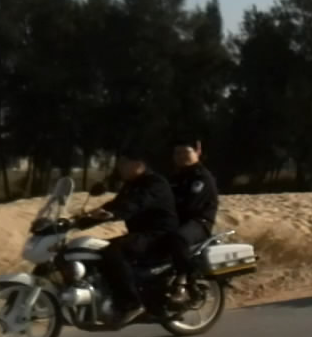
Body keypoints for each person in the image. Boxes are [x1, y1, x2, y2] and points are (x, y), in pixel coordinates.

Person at [86, 147, 179, 326]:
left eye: (124, 163)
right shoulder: (131, 184)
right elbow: (116, 204)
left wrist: (114, 214)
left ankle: (131, 304)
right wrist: (81, 220)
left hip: (158, 235)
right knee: (94, 249)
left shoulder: (155, 183)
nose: (119, 167)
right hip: (140, 234)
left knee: (113, 251)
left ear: (138, 164)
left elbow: (136, 204)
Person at [167, 137, 219, 305]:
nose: (180, 156)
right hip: (176, 222)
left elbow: (190, 205)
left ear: (198, 151)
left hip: (198, 222)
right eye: (177, 153)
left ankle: (185, 281)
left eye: (185, 152)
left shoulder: (202, 177)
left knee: (178, 238)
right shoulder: (174, 178)